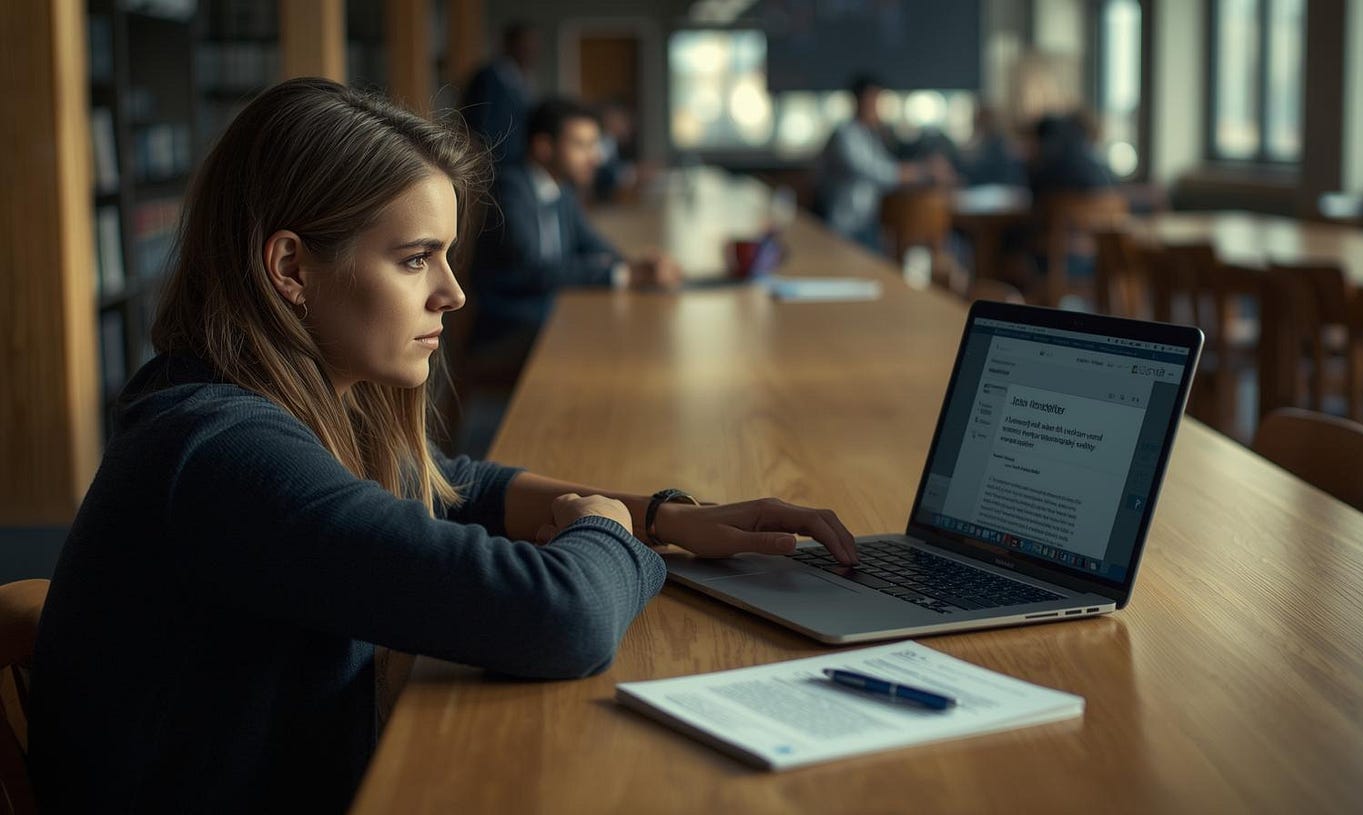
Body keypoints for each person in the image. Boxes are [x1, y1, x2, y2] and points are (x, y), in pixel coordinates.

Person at [28, 78, 856, 814]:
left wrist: (666, 516)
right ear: (290, 267)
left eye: (447, 254)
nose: (453, 291)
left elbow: (455, 483)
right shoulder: (220, 456)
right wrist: (605, 529)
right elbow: (557, 618)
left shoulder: (269, 403)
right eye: (415, 257)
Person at [472, 96, 680, 353]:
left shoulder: (562, 189)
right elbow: (535, 269)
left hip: (549, 305)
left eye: (594, 145)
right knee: (610, 334)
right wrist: (620, 275)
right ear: (543, 147)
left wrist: (633, 265)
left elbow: (591, 243)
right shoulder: (511, 190)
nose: (594, 158)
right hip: (511, 317)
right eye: (581, 145)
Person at [814, 74, 952, 249]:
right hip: (843, 224)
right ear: (859, 101)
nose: (879, 108)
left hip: (868, 223)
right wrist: (925, 171)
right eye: (874, 101)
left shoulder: (871, 136)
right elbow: (879, 172)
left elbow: (889, 167)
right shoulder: (845, 135)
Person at [461, 21, 539, 164]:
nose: (530, 50)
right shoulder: (489, 76)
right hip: (493, 159)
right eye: (524, 44)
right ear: (509, 45)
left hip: (517, 159)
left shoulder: (524, 79)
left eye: (533, 44)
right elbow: (474, 121)